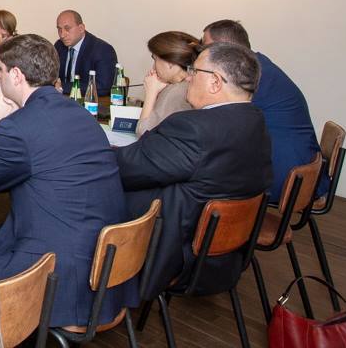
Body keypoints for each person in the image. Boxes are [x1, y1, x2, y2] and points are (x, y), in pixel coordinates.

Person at [0, 34, 134, 328]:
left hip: (57, 275)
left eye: (0, 71)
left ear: (16, 75)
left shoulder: (17, 128)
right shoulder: (81, 113)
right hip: (104, 263)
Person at [116, 42, 272, 300]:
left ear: (215, 82)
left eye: (194, 71)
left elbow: (126, 168)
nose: (188, 77)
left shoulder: (195, 129)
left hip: (173, 255)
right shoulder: (256, 121)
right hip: (224, 257)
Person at [201, 19, 325, 201]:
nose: (202, 52)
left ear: (224, 47)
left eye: (205, 46)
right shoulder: (258, 65)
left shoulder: (250, 76)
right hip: (298, 165)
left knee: (197, 179)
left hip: (285, 174)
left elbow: (217, 121)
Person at [136, 31, 199, 137]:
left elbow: (143, 133)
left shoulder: (176, 90)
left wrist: (151, 93)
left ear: (170, 63)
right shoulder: (192, 84)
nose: (153, 67)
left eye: (155, 59)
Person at [54, 10, 118, 95]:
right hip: (60, 99)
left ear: (81, 28)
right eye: (59, 29)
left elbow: (102, 87)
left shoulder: (103, 50)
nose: (62, 35)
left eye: (67, 28)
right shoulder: (59, 46)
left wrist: (63, 86)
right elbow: (50, 76)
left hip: (88, 101)